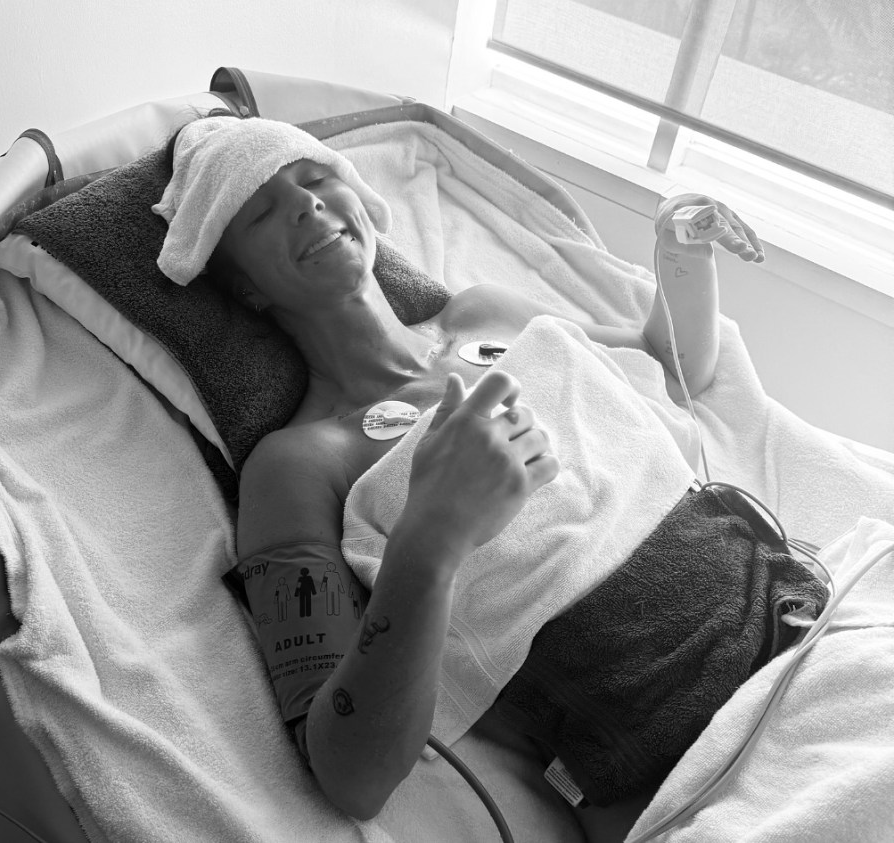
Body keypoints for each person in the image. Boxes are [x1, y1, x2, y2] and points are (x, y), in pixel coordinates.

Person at [154, 114, 781, 830]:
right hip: (695, 757)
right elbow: (346, 770)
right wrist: (432, 539)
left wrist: (680, 252)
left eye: (318, 178)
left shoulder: (489, 315)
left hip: (802, 620)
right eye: (262, 209)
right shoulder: (298, 464)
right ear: (245, 289)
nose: (306, 204)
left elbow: (673, 363)